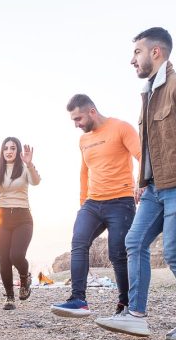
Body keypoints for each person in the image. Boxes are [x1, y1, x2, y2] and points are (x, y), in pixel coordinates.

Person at [95, 27, 176, 340]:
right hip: (154, 189)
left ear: (156, 52)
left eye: (137, 52)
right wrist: (143, 181)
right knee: (134, 242)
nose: (132, 60)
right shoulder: (150, 94)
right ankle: (136, 316)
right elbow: (150, 147)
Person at [50, 94, 141, 318]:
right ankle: (78, 300)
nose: (76, 124)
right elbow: (84, 172)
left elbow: (142, 155)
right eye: (73, 120)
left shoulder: (121, 128)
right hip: (93, 203)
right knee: (79, 242)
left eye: (78, 119)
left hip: (121, 201)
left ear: (92, 111)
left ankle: (125, 303)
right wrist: (83, 203)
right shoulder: (83, 140)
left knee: (118, 254)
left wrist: (142, 183)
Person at [0, 137, 41, 310]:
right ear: (2, 152)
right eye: (6, 148)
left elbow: (36, 181)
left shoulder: (25, 169)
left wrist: (30, 164)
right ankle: (10, 297)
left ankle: (25, 277)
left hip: (23, 217)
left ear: (18, 151)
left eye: (12, 148)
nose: (9, 151)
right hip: (2, 218)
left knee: (16, 255)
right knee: (4, 259)